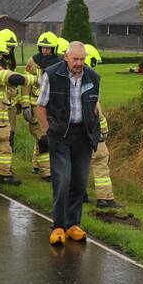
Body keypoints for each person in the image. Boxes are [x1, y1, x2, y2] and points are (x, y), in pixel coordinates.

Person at [36, 41, 102, 245]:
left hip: (83, 136)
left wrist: (94, 130)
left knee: (79, 182)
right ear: (66, 57)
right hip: (60, 136)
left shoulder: (93, 77)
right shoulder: (52, 74)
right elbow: (41, 106)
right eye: (75, 59)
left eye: (82, 59)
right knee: (63, 179)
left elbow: (93, 107)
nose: (79, 63)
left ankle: (74, 224)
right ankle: (58, 226)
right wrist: (49, 130)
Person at [0, 38, 35, 185]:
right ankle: (3, 174)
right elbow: (13, 78)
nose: (4, 57)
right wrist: (36, 79)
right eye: (2, 54)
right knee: (3, 145)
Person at [84, 45, 122, 209]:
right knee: (100, 162)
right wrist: (104, 131)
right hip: (94, 135)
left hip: (76, 136)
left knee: (80, 167)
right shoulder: (91, 82)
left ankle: (80, 196)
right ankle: (105, 199)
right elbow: (96, 112)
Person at [21, 31, 59, 179]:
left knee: (44, 137)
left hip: (52, 106)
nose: (45, 50)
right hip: (36, 106)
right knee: (43, 139)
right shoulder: (33, 61)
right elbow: (26, 85)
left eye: (48, 48)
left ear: (53, 49)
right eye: (42, 47)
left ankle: (37, 165)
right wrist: (25, 105)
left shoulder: (59, 63)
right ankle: (47, 173)